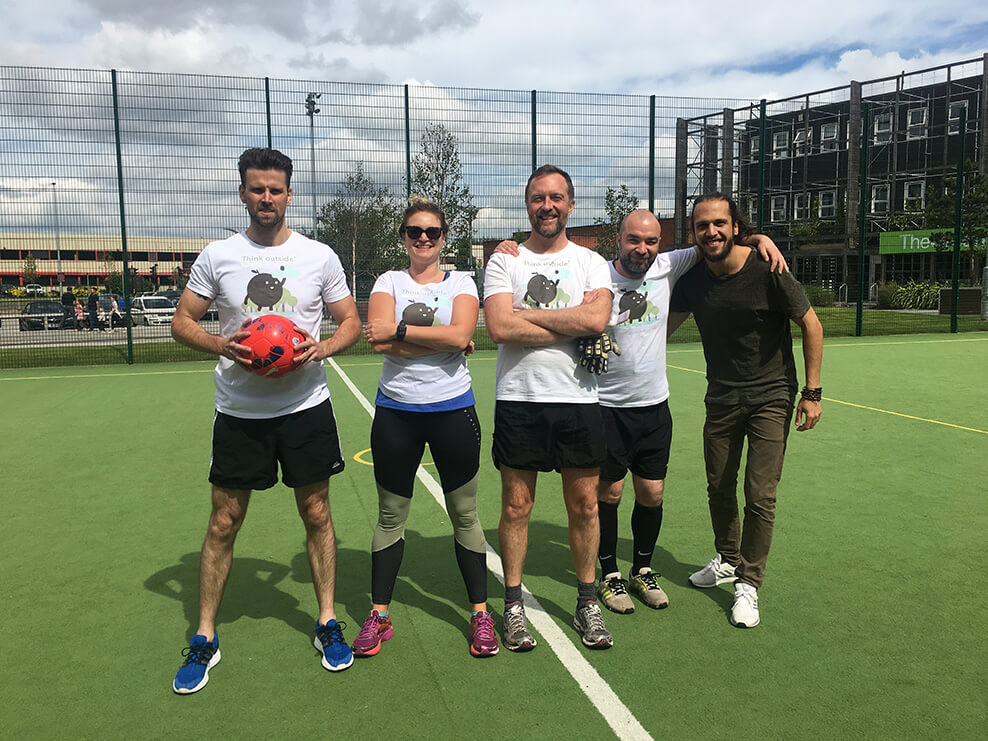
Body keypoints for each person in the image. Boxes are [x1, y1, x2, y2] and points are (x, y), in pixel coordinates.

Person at [496, 211, 786, 616]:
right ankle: (610, 574)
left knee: (652, 493)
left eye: (650, 241)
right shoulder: (597, 274)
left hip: (653, 404)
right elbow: (548, 265)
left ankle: (643, 570)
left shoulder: (668, 265)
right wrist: (509, 248)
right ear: (619, 238)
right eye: (633, 240)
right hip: (605, 406)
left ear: (659, 244)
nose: (642, 249)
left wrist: (758, 239)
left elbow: (713, 243)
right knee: (608, 493)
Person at [169, 147, 361, 694]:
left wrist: (321, 350)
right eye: (257, 189)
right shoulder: (219, 255)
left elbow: (350, 322)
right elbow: (183, 321)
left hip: (304, 409)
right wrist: (221, 345)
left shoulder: (319, 255)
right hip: (240, 412)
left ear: (289, 194)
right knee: (224, 522)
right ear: (243, 194)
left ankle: (326, 621)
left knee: (317, 512)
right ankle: (205, 635)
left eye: (276, 189)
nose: (267, 198)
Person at [668, 192, 823, 629]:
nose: (711, 232)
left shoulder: (768, 269)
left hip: (771, 396)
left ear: (736, 226)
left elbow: (811, 324)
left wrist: (812, 393)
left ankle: (748, 583)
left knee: (760, 493)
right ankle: (728, 558)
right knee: (718, 485)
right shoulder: (694, 279)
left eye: (720, 223)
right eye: (702, 226)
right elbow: (659, 329)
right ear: (694, 233)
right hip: (721, 396)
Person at [484, 165, 615, 651]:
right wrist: (572, 321)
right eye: (539, 198)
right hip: (520, 399)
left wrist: (530, 315)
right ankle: (513, 606)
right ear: (528, 205)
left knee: (584, 505)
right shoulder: (505, 261)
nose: (547, 206)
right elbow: (499, 327)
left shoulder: (590, 261)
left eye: (556, 198)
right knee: (517, 506)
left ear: (571, 206)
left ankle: (586, 604)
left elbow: (598, 317)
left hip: (579, 400)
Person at [357, 201, 496, 658]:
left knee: (465, 515)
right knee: (390, 517)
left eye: (432, 231)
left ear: (443, 237)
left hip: (454, 411)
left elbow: (460, 336)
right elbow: (377, 338)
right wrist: (445, 342)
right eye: (414, 231)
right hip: (396, 413)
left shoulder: (461, 281)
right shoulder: (387, 282)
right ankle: (379, 615)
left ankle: (480, 614)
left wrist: (403, 333)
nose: (423, 238)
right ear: (403, 236)